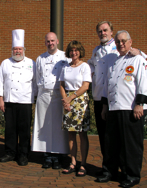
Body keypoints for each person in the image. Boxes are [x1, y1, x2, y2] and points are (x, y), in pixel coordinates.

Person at [88, 21, 146, 165]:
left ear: (111, 31)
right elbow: (92, 67)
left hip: (125, 103)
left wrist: (139, 51)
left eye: (105, 30)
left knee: (125, 140)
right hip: (102, 99)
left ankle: (126, 169)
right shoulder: (96, 51)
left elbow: (143, 69)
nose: (103, 33)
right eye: (100, 31)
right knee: (106, 138)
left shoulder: (129, 52)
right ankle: (109, 167)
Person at [0, 29, 36, 166]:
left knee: (24, 130)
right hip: (9, 101)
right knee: (10, 129)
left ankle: (23, 154)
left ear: (24, 50)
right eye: (15, 49)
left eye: (19, 49)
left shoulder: (32, 63)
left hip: (25, 101)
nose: (17, 51)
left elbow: (36, 82)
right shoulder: (5, 63)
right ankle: (10, 152)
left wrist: (34, 99)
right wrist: (0, 99)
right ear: (12, 50)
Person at [31, 32, 70, 169]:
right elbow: (37, 78)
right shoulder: (40, 58)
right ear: (45, 42)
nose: (50, 43)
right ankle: (47, 155)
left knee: (58, 127)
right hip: (44, 95)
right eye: (48, 41)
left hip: (59, 95)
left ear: (57, 41)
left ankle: (58, 156)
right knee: (45, 126)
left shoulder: (65, 56)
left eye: (52, 41)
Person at [59, 41, 91, 176]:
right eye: (71, 50)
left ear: (80, 51)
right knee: (70, 133)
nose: (74, 53)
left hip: (80, 101)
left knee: (82, 133)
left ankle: (83, 164)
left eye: (76, 50)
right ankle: (73, 162)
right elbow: (61, 85)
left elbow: (85, 86)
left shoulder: (85, 66)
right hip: (67, 101)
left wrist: (70, 98)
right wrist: (65, 100)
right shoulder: (65, 67)